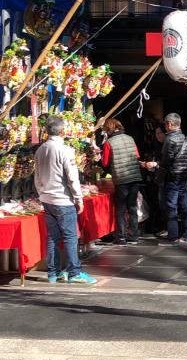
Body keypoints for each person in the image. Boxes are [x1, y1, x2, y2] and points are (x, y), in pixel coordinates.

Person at [34, 115, 97, 286]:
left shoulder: (40, 150)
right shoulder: (65, 150)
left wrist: (42, 193)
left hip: (47, 198)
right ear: (62, 131)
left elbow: (37, 177)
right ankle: (74, 272)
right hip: (63, 199)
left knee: (52, 236)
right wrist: (78, 198)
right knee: (70, 236)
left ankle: (53, 272)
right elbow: (72, 178)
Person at [101, 118, 142, 245]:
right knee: (132, 207)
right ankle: (134, 236)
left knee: (120, 208)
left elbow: (105, 162)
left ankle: (121, 237)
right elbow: (137, 156)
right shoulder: (130, 138)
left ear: (109, 129)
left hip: (121, 178)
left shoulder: (109, 142)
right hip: (135, 177)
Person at [157, 112, 187, 245]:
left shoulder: (170, 139)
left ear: (169, 124)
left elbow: (165, 161)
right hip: (184, 176)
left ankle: (173, 237)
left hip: (172, 177)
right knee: (185, 206)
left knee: (171, 206)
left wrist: (157, 169)